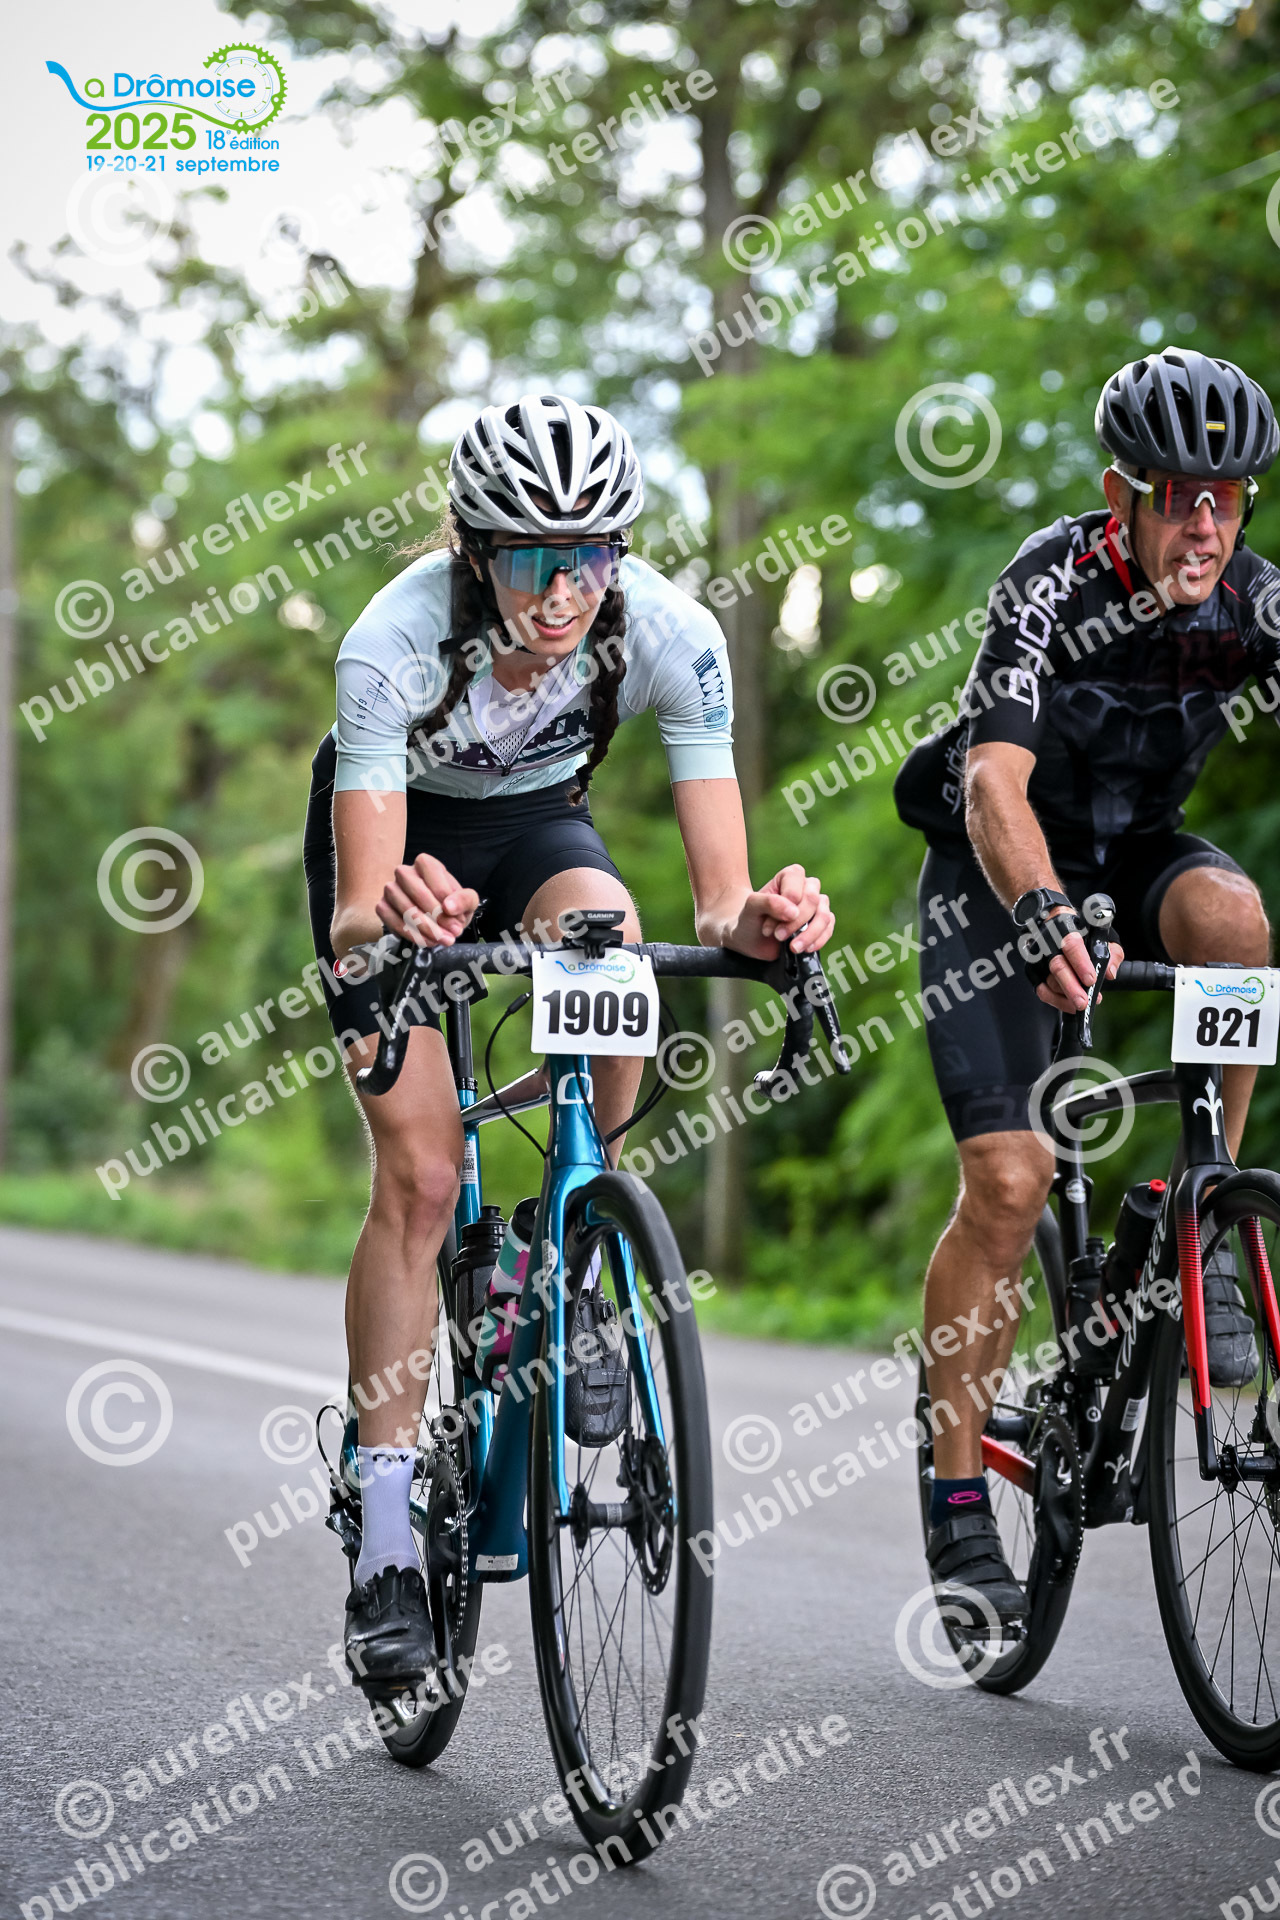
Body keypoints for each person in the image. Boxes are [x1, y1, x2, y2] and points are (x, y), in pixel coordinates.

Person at [302, 392, 834, 1690]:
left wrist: (766, 921)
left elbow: (720, 902)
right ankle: (384, 1546)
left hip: (539, 830)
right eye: (534, 556)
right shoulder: (392, 642)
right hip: (401, 852)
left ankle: (566, 1244)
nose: (563, 590)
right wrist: (391, 914)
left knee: (615, 940)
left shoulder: (669, 635)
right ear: (475, 550)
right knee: (424, 1179)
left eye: (590, 554)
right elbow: (361, 908)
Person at [893, 348, 1280, 1622]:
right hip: (996, 867)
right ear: (1121, 496)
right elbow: (990, 782)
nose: (1203, 524)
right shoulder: (1048, 577)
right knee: (1008, 1184)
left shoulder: (1254, 601)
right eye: (1176, 497)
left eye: (1227, 498)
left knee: (1233, 920)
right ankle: (956, 1496)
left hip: (1138, 851)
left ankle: (1203, 1208)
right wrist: (1043, 913)